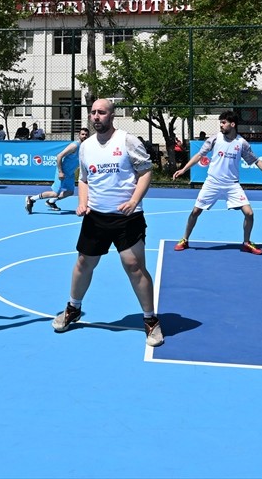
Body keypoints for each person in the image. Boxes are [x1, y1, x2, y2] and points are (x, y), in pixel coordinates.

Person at [52, 98, 164, 347]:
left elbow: (146, 172)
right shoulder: (86, 146)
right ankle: (73, 308)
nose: (95, 117)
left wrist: (135, 200)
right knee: (83, 263)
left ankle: (150, 320)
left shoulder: (127, 141)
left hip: (127, 217)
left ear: (112, 115)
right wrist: (82, 202)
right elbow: (83, 179)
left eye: (101, 112)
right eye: (92, 112)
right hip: (96, 217)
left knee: (134, 265)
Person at [171, 110, 262, 255]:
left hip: (232, 184)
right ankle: (185, 239)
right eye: (220, 122)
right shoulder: (214, 139)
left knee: (249, 213)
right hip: (212, 182)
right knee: (195, 212)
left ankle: (246, 243)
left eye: (223, 122)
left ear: (232, 124)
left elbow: (256, 161)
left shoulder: (241, 143)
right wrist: (184, 169)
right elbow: (200, 155)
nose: (221, 125)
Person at [25, 137, 80, 214]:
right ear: (79, 135)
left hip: (70, 173)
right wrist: (61, 172)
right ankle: (31, 199)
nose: (84, 136)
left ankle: (51, 201)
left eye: (86, 135)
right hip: (63, 171)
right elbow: (59, 156)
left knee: (70, 192)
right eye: (83, 134)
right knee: (55, 193)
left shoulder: (85, 147)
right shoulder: (74, 146)